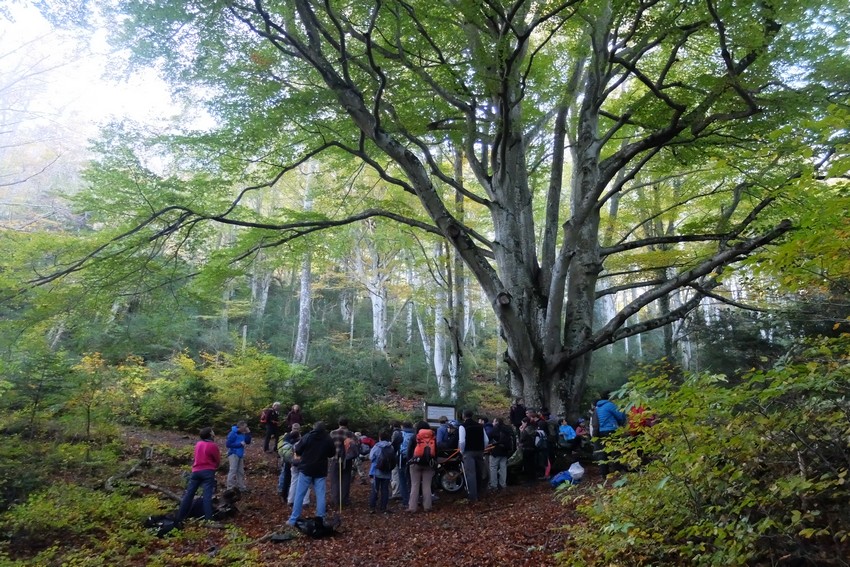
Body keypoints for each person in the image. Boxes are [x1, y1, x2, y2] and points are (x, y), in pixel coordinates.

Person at [287, 421, 335, 527]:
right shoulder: (328, 439)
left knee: (300, 494)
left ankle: (293, 519)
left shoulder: (307, 437)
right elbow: (332, 453)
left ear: (314, 428)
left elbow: (298, 450)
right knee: (321, 495)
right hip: (320, 470)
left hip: (306, 469)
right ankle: (321, 518)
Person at [176, 427, 220, 523]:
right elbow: (217, 460)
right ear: (210, 434)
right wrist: (214, 467)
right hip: (207, 471)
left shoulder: (198, 444)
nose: (214, 433)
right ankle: (209, 519)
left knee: (189, 495)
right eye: (213, 432)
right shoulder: (212, 445)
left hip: (196, 471)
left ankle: (180, 516)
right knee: (207, 496)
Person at [329, 417, 359, 510]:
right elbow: (357, 445)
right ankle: (344, 500)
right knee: (345, 479)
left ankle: (335, 500)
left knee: (335, 480)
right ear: (347, 424)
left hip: (335, 459)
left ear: (338, 423)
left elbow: (329, 445)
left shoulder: (332, 433)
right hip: (347, 459)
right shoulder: (351, 434)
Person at [406, 420, 436, 513]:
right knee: (427, 485)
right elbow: (436, 451)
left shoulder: (415, 437)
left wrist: (409, 461)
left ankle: (412, 507)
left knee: (415, 485)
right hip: (428, 464)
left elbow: (409, 451)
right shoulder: (432, 437)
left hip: (415, 463)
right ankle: (427, 506)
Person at [595, 391, 627, 478]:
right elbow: (620, 416)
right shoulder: (610, 405)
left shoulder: (598, 407)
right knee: (616, 450)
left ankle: (603, 473)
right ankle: (618, 471)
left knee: (604, 452)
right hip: (611, 429)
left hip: (601, 431)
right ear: (610, 397)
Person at [459, 409, 488, 502]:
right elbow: (486, 440)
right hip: (479, 451)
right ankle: (481, 492)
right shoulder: (480, 426)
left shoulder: (463, 426)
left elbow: (462, 441)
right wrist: (483, 449)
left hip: (468, 451)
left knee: (471, 473)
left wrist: (462, 451)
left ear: (463, 416)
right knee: (479, 472)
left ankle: (473, 495)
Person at [368, 429, 394, 514]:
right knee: (385, 489)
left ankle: (372, 507)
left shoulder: (377, 446)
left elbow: (371, 457)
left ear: (379, 437)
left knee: (375, 489)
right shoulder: (391, 446)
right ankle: (383, 507)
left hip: (376, 471)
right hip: (387, 471)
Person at [277, 423, 302, 502]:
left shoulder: (292, 436)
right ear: (292, 428)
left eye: (297, 428)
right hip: (289, 460)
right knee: (286, 476)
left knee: (289, 477)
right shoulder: (289, 436)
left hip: (291, 460)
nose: (296, 430)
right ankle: (283, 492)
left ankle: (287, 494)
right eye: (295, 428)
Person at [489, 417, 514, 491]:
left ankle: (494, 485)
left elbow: (490, 437)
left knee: (493, 467)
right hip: (505, 450)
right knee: (503, 468)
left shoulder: (495, 428)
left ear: (496, 422)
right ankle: (503, 484)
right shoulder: (507, 428)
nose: (493, 423)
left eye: (493, 421)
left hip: (496, 450)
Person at [225, 421, 251, 492]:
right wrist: (239, 444)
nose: (246, 428)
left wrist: (248, 433)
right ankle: (230, 487)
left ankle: (241, 487)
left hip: (240, 454)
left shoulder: (243, 433)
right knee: (233, 470)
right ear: (241, 426)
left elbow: (248, 441)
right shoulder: (233, 433)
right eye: (245, 427)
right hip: (233, 453)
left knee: (240, 471)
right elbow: (228, 444)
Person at [396, 421, 415, 508]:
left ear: (402, 426)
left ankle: (406, 501)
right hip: (414, 459)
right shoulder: (415, 434)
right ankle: (414, 499)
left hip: (402, 459)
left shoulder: (400, 434)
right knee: (412, 480)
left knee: (403, 480)